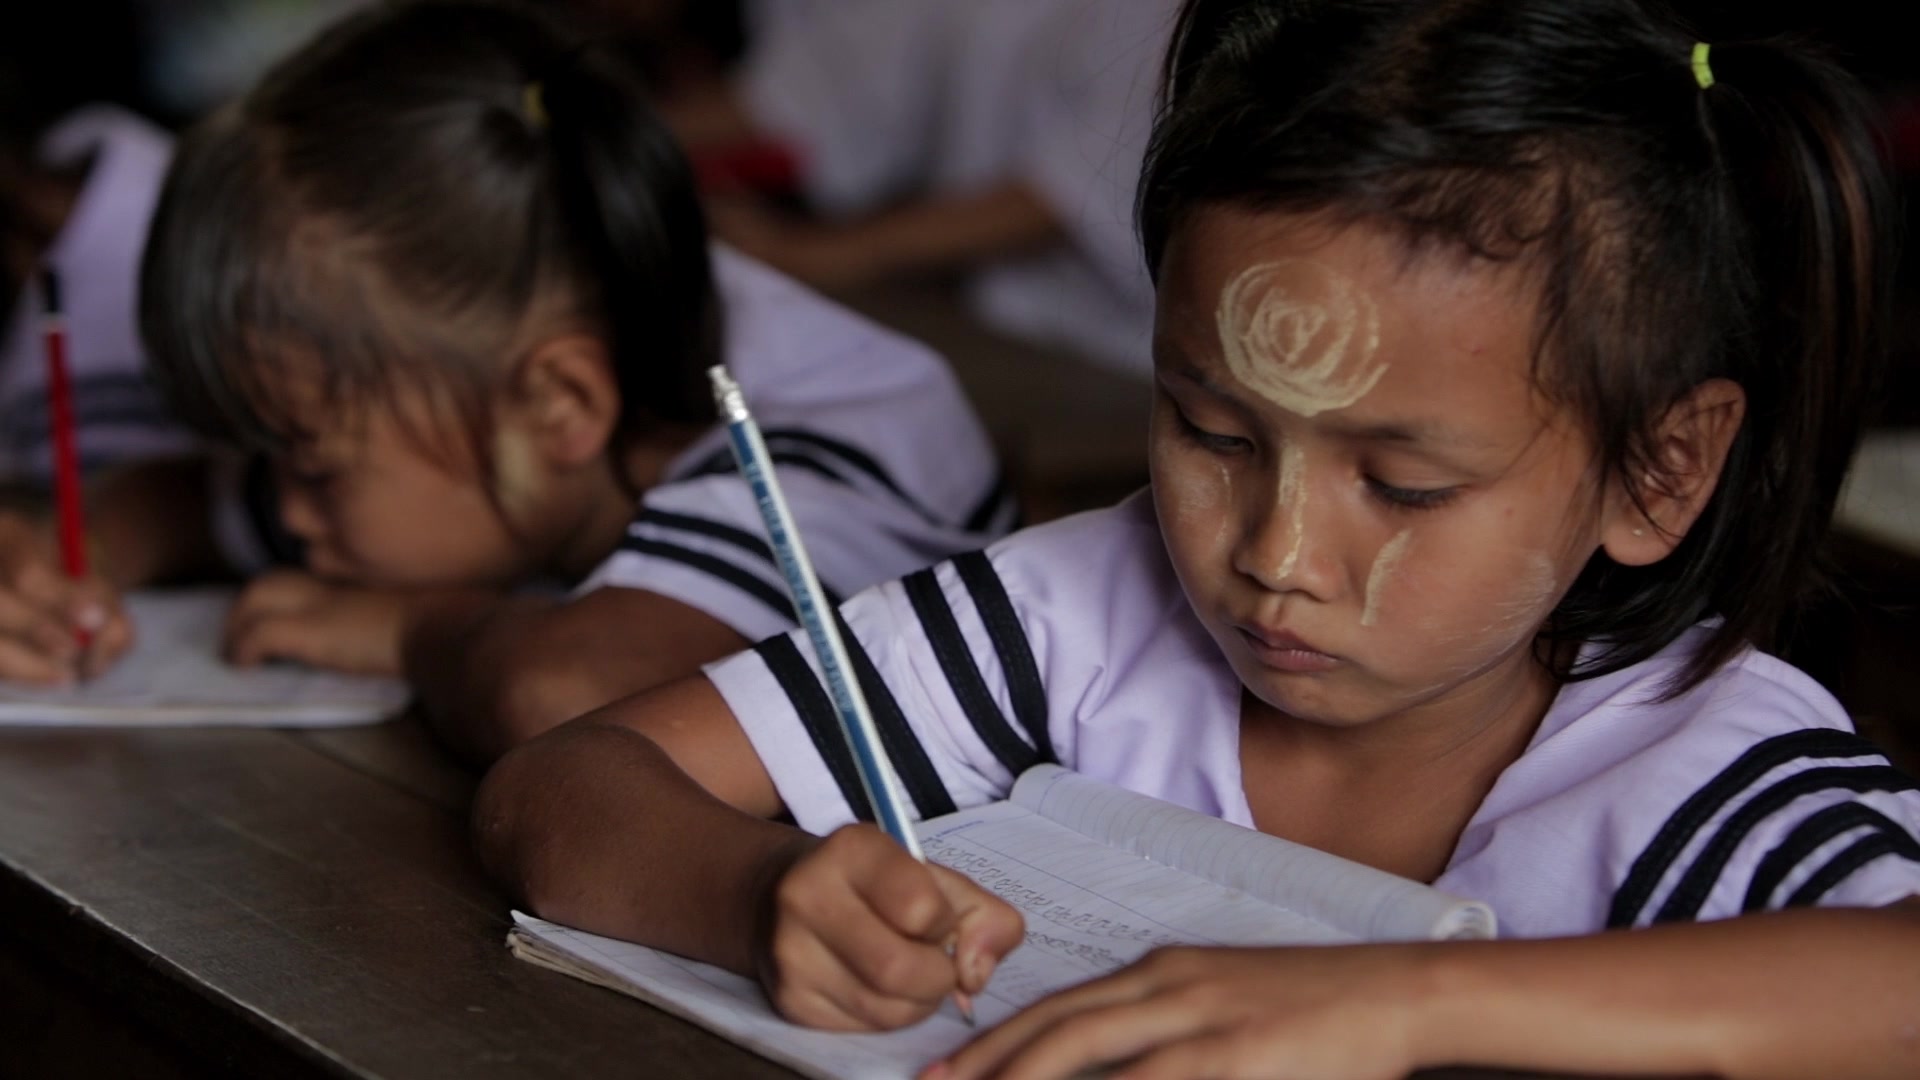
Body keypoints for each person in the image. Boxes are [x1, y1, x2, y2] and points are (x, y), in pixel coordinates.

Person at [471, 0, 1920, 1075]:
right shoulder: (1074, 626)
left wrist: (1399, 1005)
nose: (1277, 554)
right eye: (1215, 435)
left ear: (1659, 473)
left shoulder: (1681, 772)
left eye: (1403, 488)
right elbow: (561, 788)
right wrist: (755, 892)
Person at [0, 0, 1014, 764]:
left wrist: (414, 630)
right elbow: (188, 498)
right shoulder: (460, 386)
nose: (290, 510)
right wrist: (65, 569)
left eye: (313, 467)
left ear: (559, 406)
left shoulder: (817, 453)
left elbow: (566, 694)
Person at [664, 0, 1176, 378]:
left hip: (1109, 356)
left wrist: (810, 254)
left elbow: (1064, 192)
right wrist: (638, 136)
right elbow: (813, 91)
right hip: (983, 315)